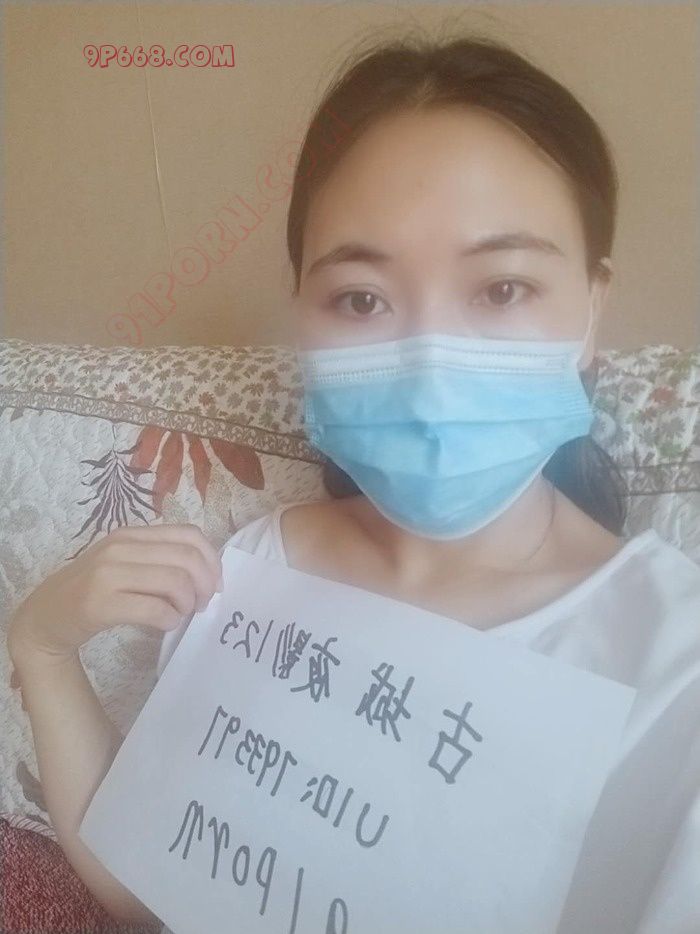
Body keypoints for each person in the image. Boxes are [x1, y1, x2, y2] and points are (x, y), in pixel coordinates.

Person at [7, 31, 700, 934]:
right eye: (362, 299)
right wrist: (43, 647)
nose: (430, 368)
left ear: (591, 309)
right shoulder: (256, 572)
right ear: (303, 313)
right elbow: (147, 887)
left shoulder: (674, 665)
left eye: (502, 289)